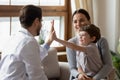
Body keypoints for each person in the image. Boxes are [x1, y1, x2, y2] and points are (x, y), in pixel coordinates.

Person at [0, 5, 54, 80]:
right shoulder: (29, 42)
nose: (41, 25)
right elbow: (37, 77)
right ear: (36, 21)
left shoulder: (13, 38)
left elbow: (35, 56)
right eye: (41, 21)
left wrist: (49, 41)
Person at [66, 9, 113, 80]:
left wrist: (94, 78)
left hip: (98, 77)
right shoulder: (70, 43)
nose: (78, 24)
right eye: (75, 22)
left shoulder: (101, 40)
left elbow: (108, 65)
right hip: (79, 77)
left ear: (89, 22)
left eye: (81, 20)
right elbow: (72, 68)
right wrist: (79, 75)